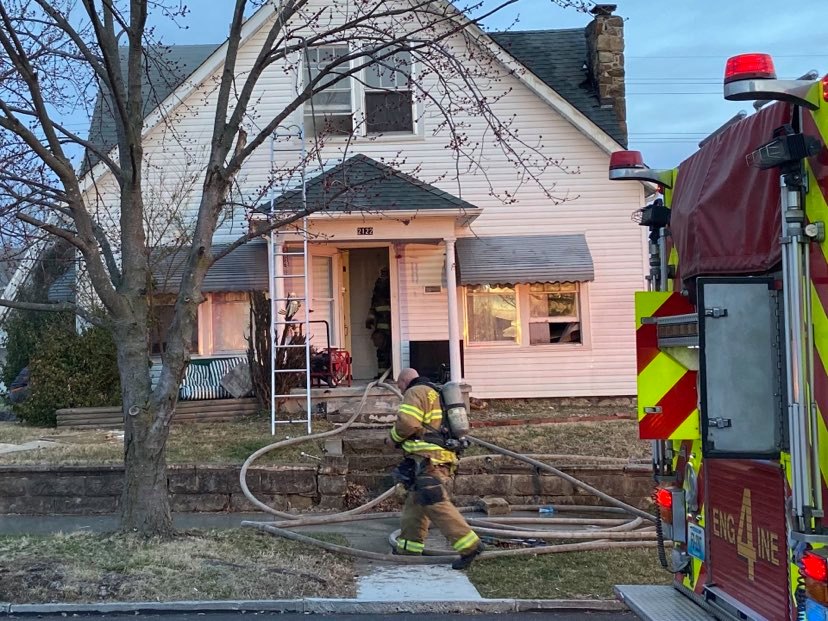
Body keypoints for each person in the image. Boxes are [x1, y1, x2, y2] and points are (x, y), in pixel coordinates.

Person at [388, 367, 483, 570]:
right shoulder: (436, 392)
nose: (401, 391)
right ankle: (408, 549)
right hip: (438, 457)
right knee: (416, 501)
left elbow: (407, 423)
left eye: (400, 387)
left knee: (435, 502)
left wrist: (392, 439)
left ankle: (470, 546)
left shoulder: (415, 392)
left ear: (404, 382)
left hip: (429, 458)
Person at [366, 267, 392, 378]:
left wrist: (370, 318)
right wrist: (370, 318)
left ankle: (386, 375)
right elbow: (374, 303)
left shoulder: (390, 284)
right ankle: (383, 375)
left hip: (389, 328)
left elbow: (374, 304)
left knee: (387, 353)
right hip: (382, 328)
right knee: (382, 353)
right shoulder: (380, 285)